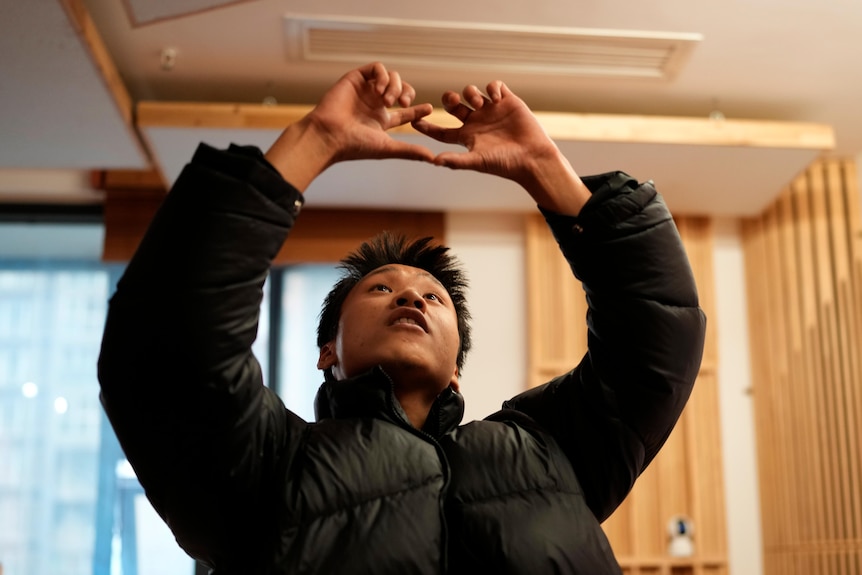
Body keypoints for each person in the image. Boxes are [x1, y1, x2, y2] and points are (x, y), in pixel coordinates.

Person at [98, 62, 706, 574]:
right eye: (381, 288)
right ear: (327, 351)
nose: (411, 299)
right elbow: (171, 346)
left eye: (433, 298)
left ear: (459, 371)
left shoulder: (551, 450)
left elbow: (655, 341)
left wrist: (545, 167)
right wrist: (313, 140)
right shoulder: (266, 462)